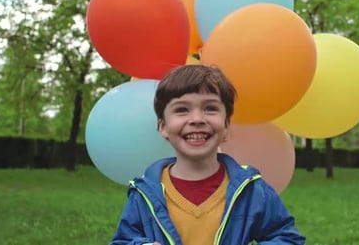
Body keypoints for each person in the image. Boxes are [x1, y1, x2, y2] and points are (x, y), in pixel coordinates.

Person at [110, 64, 305, 245]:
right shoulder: (144, 193)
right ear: (163, 127)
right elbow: (123, 240)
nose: (196, 119)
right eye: (182, 110)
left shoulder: (252, 190)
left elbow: (286, 237)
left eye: (210, 108)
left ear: (227, 125)